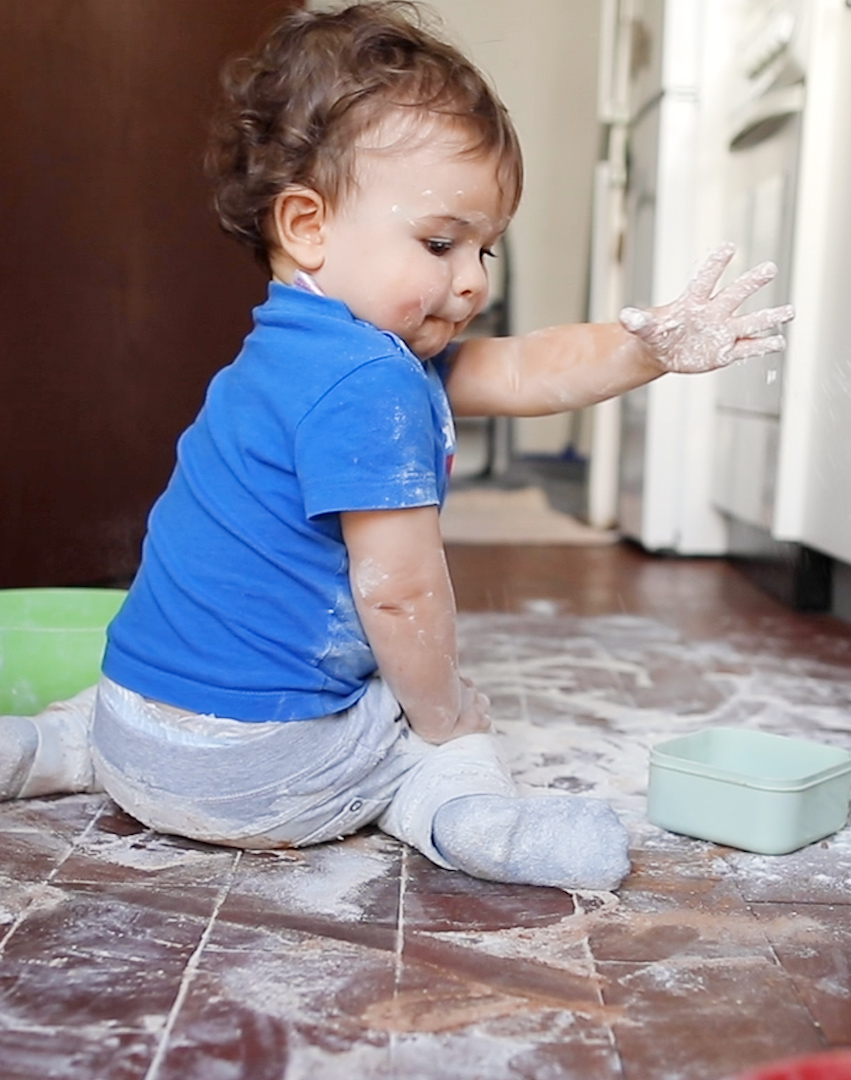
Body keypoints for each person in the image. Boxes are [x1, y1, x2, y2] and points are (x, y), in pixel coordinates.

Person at [0, 1, 793, 891]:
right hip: (260, 776)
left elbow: (527, 369)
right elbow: (402, 592)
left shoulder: (296, 350)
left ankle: (39, 750)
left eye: (486, 251)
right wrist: (448, 714)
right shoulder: (369, 383)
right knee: (428, 735)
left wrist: (644, 347)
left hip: (137, 731)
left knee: (140, 701)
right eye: (441, 242)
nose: (471, 282)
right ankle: (470, 819)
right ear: (307, 227)